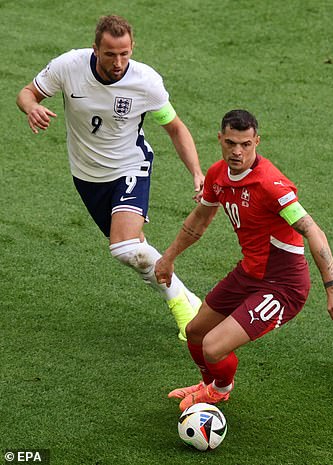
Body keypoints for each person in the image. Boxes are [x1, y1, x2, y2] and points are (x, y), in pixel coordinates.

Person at [16, 15, 205, 340]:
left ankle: (183, 307)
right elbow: (27, 93)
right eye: (110, 54)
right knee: (135, 252)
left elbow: (175, 128)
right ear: (95, 49)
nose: (118, 62)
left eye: (125, 54)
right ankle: (187, 299)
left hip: (130, 166)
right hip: (86, 175)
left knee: (123, 246)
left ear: (132, 49)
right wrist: (31, 107)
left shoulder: (145, 82)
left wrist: (197, 173)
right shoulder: (68, 66)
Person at [155, 109, 333, 411]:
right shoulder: (218, 175)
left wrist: (332, 287)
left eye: (245, 144)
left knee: (213, 346)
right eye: (231, 142)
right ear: (220, 138)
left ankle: (220, 390)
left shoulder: (271, 186)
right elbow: (199, 221)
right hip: (250, 274)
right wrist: (168, 258)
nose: (237, 151)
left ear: (257, 141)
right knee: (195, 332)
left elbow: (313, 230)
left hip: (283, 286)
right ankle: (209, 385)